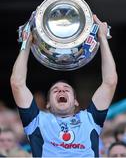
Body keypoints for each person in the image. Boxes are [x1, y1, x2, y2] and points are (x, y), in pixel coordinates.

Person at [10, 14, 117, 157]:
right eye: (55, 91)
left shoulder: (90, 118)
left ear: (76, 101)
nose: (61, 90)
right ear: (47, 104)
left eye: (66, 90)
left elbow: (110, 82)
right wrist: (26, 43)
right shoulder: (36, 120)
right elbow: (17, 83)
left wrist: (102, 38)